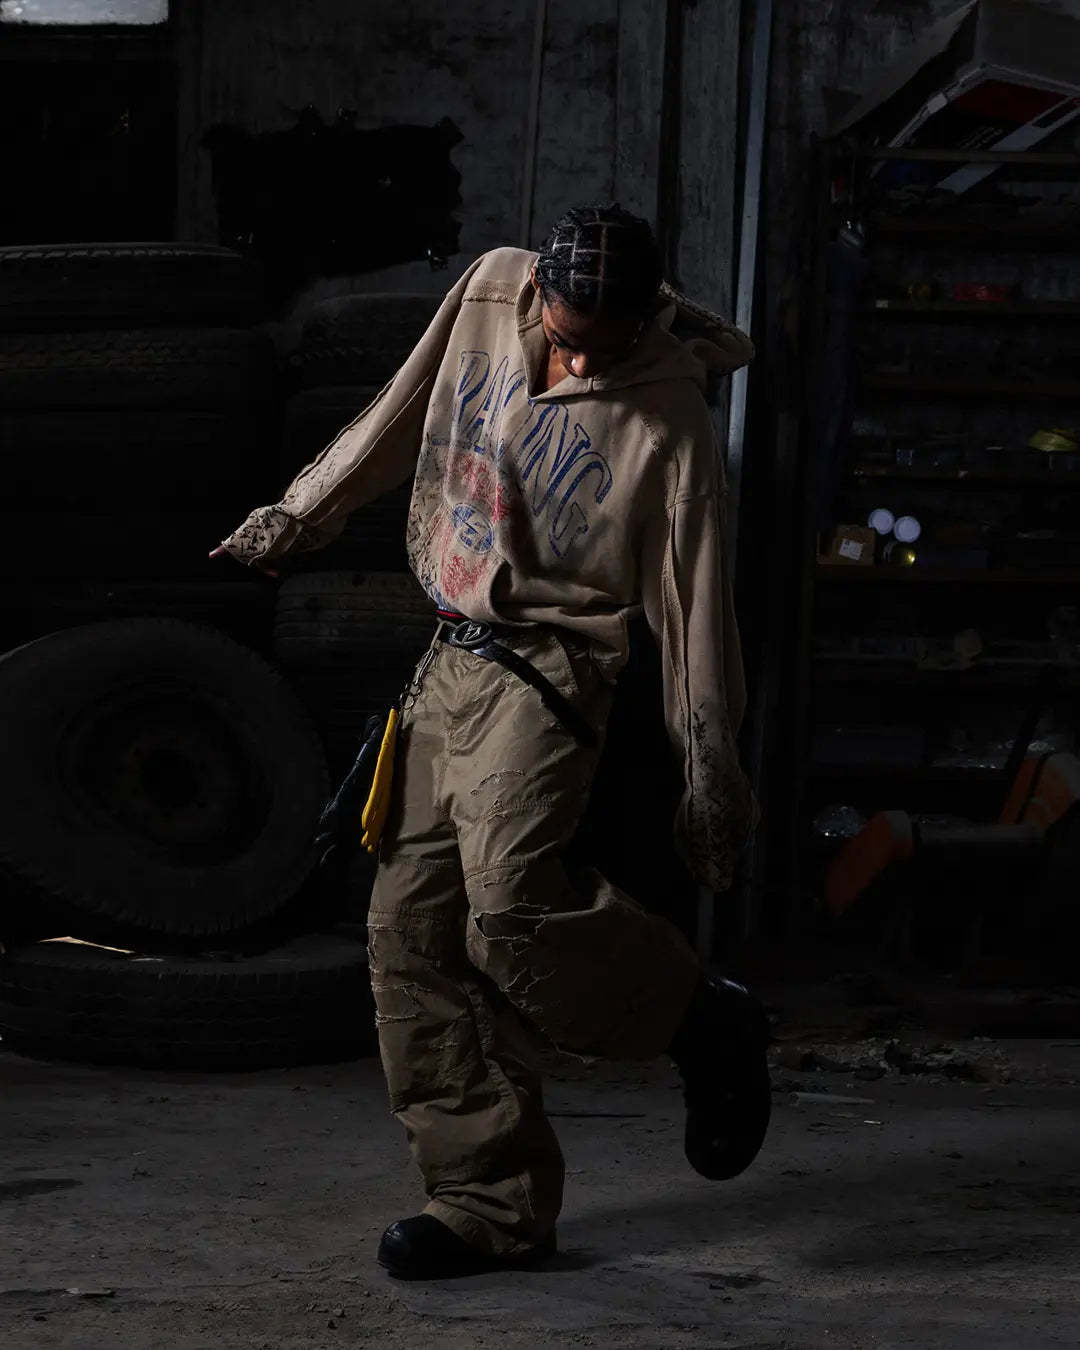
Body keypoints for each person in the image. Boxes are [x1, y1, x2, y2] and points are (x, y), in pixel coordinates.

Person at [212, 203, 770, 1280]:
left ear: (644, 319)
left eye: (603, 345)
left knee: (508, 904)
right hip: (448, 657)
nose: (578, 360)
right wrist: (300, 514)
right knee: (408, 936)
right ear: (539, 295)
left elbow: (695, 609)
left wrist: (711, 775)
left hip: (555, 669)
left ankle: (698, 1018)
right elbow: (397, 409)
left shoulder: (671, 419)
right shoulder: (486, 290)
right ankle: (488, 1203)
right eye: (565, 334)